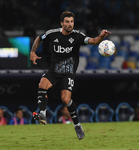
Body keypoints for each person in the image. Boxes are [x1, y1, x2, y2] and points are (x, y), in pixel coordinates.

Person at [30, 11, 110, 140]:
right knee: (42, 84)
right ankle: (43, 114)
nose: (70, 24)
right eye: (67, 22)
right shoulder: (52, 34)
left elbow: (93, 41)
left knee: (65, 99)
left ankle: (77, 125)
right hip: (54, 71)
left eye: (71, 22)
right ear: (62, 23)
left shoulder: (77, 36)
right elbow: (39, 38)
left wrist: (101, 36)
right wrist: (33, 52)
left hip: (68, 72)